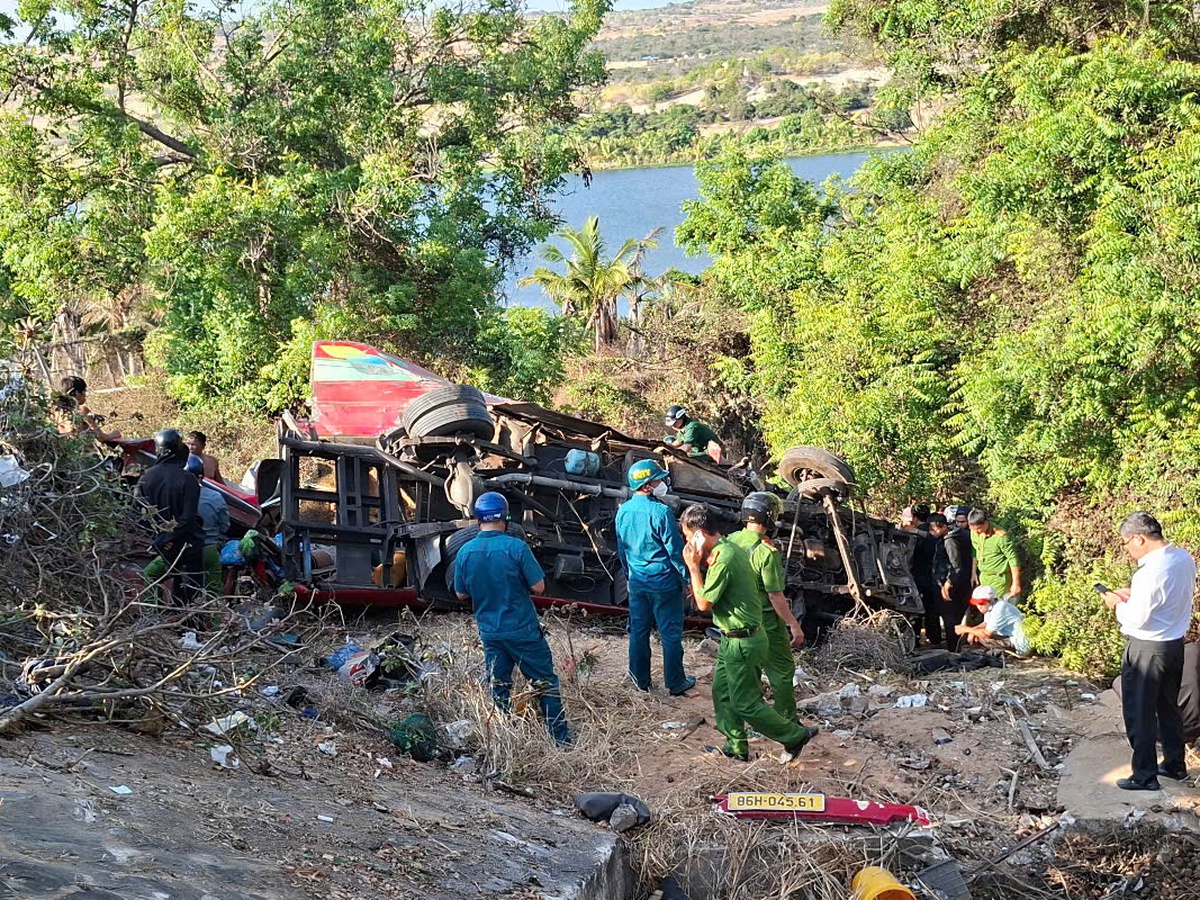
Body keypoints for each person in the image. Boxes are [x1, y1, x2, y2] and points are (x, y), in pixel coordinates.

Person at [679, 503, 817, 762]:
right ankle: (736, 746)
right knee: (721, 692)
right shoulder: (730, 548)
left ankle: (794, 736)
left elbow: (703, 604)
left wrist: (693, 566)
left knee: (746, 703)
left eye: (688, 537)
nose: (687, 544)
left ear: (698, 534)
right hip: (733, 638)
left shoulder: (726, 556)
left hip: (743, 640)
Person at [454, 492, 572, 746]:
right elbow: (539, 587)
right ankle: (560, 740)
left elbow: (460, 593)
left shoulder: (465, 552)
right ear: (505, 518)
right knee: (544, 683)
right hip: (523, 630)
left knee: (499, 685)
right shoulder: (516, 547)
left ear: (478, 520)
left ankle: (504, 739)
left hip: (490, 632)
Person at [1100, 511, 1196, 791]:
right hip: (1174, 644)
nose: (1127, 549)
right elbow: (1167, 597)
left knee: (1139, 711)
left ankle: (1144, 775)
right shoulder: (1182, 558)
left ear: (1139, 539)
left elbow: (1135, 618)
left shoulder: (1149, 571)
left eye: (1126, 542)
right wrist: (1132, 594)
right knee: (1169, 707)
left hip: (1146, 648)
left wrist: (1115, 604)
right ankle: (1175, 764)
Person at [614, 460, 697, 696]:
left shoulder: (623, 512)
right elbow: (675, 552)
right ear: (648, 485)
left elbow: (622, 550)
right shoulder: (661, 512)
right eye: (658, 480)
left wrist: (630, 576)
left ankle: (639, 681)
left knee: (639, 632)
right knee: (670, 633)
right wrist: (689, 580)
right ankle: (675, 682)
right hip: (665, 584)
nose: (663, 483)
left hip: (638, 583)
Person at [727, 491, 806, 722]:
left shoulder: (729, 541)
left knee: (745, 673)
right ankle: (787, 721)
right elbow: (775, 596)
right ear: (769, 517)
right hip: (766, 622)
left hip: (737, 618)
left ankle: (752, 719)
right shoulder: (766, 552)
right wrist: (794, 625)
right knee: (781, 672)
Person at [137, 429, 203, 603]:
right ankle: (189, 629)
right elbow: (188, 519)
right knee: (191, 600)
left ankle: (152, 622)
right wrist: (169, 539)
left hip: (160, 549)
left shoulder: (146, 478)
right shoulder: (188, 480)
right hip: (187, 549)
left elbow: (138, 515)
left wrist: (159, 541)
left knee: (152, 583)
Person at [1113, 635, 1200, 747]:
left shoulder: (1154, 654)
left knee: (1119, 681)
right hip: (1196, 727)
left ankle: (1140, 729)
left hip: (1163, 732)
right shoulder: (1194, 650)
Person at [929, 512, 973, 650]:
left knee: (950, 617)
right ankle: (954, 646)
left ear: (942, 527)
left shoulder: (950, 541)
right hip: (949, 582)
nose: (932, 532)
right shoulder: (949, 538)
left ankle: (953, 647)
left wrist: (948, 583)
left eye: (934, 529)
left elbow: (956, 566)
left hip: (951, 586)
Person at [188, 454, 229, 593]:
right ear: (201, 477)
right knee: (214, 590)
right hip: (209, 548)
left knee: (151, 573)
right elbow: (225, 526)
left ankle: (150, 613)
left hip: (184, 550)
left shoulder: (177, 496)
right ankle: (214, 614)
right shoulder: (216, 497)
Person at [904, 505, 941, 647]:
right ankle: (935, 639)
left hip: (917, 576)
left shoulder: (914, 534)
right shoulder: (933, 532)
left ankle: (915, 640)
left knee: (915, 609)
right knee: (932, 610)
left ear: (914, 517)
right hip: (932, 576)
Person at [955, 585, 1030, 655]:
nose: (978, 607)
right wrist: (972, 630)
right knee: (976, 633)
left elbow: (987, 633)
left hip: (1019, 644)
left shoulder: (999, 608)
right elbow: (986, 623)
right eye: (976, 604)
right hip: (1009, 637)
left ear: (990, 601)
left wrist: (967, 629)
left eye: (981, 603)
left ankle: (1006, 653)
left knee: (981, 637)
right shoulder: (992, 606)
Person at [968, 509, 1023, 600]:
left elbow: (1013, 559)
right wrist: (974, 572)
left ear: (985, 523)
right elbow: (975, 551)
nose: (976, 532)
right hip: (984, 577)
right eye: (973, 529)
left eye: (978, 529)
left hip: (999, 579)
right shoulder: (974, 532)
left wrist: (1016, 583)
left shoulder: (1001, 537)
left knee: (997, 608)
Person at [53, 375, 121, 441]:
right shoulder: (82, 411)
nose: (85, 394)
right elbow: (101, 437)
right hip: (84, 451)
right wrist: (115, 433)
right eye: (84, 391)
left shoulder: (57, 412)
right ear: (76, 393)